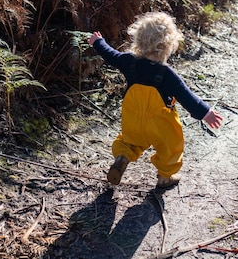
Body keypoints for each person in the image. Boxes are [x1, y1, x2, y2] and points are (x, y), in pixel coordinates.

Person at [88, 11, 223, 189]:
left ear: (139, 38)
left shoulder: (128, 61)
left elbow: (110, 55)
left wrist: (98, 42)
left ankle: (122, 157)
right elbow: (187, 97)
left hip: (133, 116)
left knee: (129, 141)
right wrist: (206, 113)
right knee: (171, 145)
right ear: (168, 45)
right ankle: (166, 176)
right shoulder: (166, 74)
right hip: (160, 122)